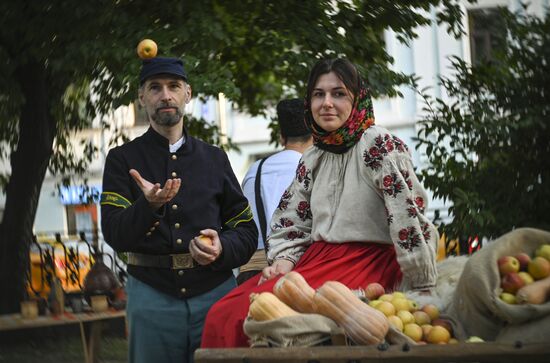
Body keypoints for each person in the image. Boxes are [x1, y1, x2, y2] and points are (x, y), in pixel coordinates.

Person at [200, 58, 438, 348]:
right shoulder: (314, 157)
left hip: (368, 262)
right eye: (318, 94)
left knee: (244, 316)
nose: (326, 103)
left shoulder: (378, 144)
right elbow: (293, 221)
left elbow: (408, 217)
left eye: (338, 94)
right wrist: (285, 260)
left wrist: (422, 282)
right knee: (223, 312)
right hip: (318, 260)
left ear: (357, 99)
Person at [100, 56, 258, 362]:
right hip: (151, 296)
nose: (165, 95)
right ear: (142, 97)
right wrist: (147, 206)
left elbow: (247, 231)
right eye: (155, 88)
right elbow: (115, 233)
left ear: (188, 94)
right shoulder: (121, 159)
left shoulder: (214, 158)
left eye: (174, 86)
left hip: (215, 294)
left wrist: (222, 247)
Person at [237, 98, 313, 284]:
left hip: (252, 272)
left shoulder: (255, 170)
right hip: (298, 271)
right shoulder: (314, 169)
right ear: (314, 135)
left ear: (281, 136)